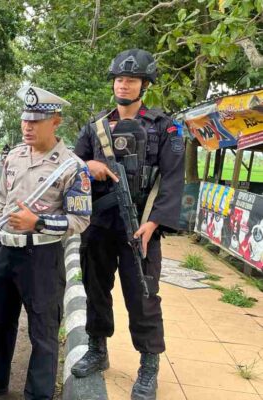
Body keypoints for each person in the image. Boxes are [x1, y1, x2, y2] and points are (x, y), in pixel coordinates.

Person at [70, 49, 185, 400]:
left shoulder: (165, 127)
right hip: (100, 224)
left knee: (144, 297)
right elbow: (72, 166)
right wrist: (88, 164)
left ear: (144, 85)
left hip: (140, 228)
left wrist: (153, 223)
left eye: (131, 80)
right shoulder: (96, 126)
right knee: (95, 290)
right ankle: (97, 348)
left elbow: (172, 179)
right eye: (119, 79)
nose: (124, 84)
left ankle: (148, 367)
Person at [0, 85, 91, 400]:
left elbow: (81, 220)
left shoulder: (73, 167)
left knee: (43, 332)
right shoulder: (14, 156)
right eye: (25, 120)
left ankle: (38, 394)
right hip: (6, 252)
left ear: (55, 121)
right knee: (0, 323)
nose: (27, 127)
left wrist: (39, 222)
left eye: (36, 121)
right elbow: (5, 206)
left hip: (42, 257)